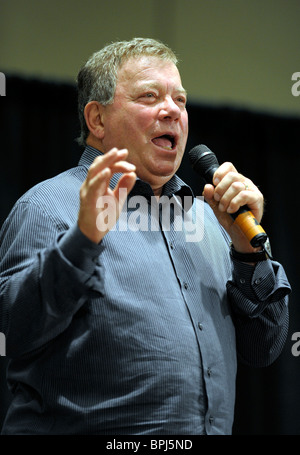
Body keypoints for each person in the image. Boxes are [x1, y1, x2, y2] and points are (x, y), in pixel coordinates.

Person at [0, 37, 291, 435]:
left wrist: (248, 253)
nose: (172, 110)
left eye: (181, 100)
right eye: (149, 96)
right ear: (97, 120)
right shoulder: (48, 206)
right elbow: (15, 332)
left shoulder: (212, 221)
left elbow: (264, 348)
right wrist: (83, 242)